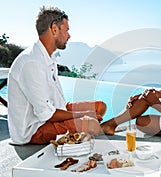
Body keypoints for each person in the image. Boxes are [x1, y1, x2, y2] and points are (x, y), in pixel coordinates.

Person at [8, 6, 106, 145]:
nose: (69, 35)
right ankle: (99, 129)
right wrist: (82, 115)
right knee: (91, 124)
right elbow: (46, 114)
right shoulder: (31, 62)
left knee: (100, 107)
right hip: (35, 129)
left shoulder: (47, 58)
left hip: (55, 112)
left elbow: (53, 106)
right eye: (66, 30)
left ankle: (97, 128)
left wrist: (84, 113)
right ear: (54, 29)